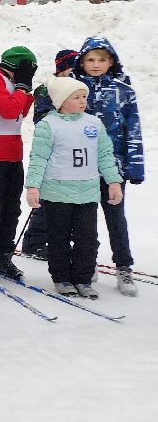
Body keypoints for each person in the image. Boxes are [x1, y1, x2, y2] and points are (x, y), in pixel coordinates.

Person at [25, 74, 123, 297]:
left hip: (87, 193)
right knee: (58, 238)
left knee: (87, 239)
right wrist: (33, 186)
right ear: (60, 101)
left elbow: (105, 155)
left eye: (84, 97)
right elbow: (38, 158)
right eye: (76, 97)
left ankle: (83, 278)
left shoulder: (94, 123)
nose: (82, 101)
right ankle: (61, 277)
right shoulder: (48, 125)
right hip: (57, 193)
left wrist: (113, 182)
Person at [76, 37, 143, 297]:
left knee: (116, 217)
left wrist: (134, 166)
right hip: (81, 167)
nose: (96, 65)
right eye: (90, 59)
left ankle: (124, 266)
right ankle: (86, 263)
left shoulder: (123, 90)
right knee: (84, 219)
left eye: (102, 59)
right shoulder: (74, 88)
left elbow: (133, 129)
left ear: (111, 61)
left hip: (113, 168)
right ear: (82, 61)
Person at [0, 46, 36, 281]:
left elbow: (20, 112)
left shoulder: (9, 82)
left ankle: (4, 254)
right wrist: (21, 87)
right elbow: (8, 111)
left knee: (12, 208)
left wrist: (26, 90)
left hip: (12, 152)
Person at [22, 49, 80, 261]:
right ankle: (34, 242)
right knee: (47, 198)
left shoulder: (76, 88)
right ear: (63, 68)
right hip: (52, 150)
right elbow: (41, 119)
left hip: (73, 153)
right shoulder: (47, 89)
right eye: (72, 68)